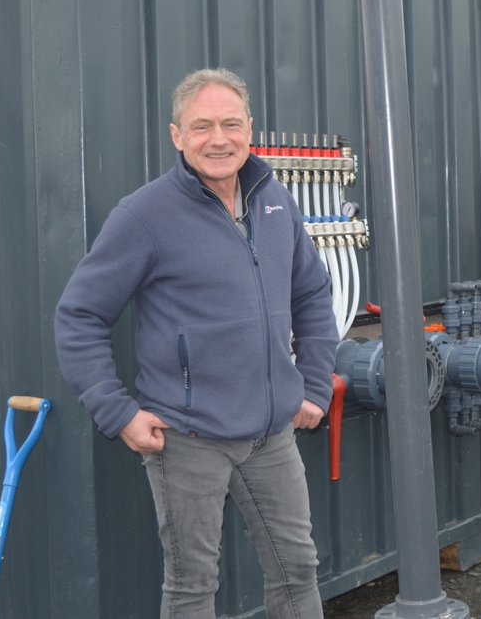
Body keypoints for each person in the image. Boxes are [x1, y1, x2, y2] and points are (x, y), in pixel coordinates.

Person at [55, 68, 339, 618]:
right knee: (193, 586)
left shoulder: (275, 201)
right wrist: (117, 412)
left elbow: (311, 293)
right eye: (202, 126)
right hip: (188, 439)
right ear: (177, 135)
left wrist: (312, 384)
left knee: (298, 570)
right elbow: (79, 315)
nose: (218, 139)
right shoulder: (144, 215)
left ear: (249, 128)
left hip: (270, 435)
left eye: (231, 124)